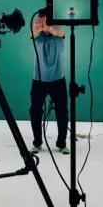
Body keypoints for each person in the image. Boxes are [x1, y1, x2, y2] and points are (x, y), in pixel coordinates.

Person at [29, 14, 69, 154]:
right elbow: (32, 34)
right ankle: (37, 143)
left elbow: (61, 32)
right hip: (38, 80)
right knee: (35, 112)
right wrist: (38, 28)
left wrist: (48, 27)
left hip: (58, 80)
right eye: (39, 21)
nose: (41, 23)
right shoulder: (37, 37)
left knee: (62, 112)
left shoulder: (58, 34)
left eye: (44, 20)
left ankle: (62, 144)